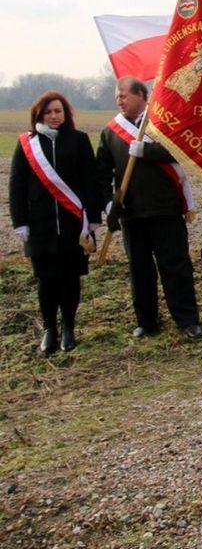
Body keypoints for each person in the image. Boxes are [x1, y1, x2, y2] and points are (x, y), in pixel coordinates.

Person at [96, 77, 202, 340]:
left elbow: (183, 152)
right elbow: (100, 174)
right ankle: (147, 321)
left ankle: (187, 320)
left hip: (165, 209)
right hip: (132, 213)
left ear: (142, 96)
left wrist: (149, 151)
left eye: (124, 95)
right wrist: (110, 203)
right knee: (140, 270)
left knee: (175, 267)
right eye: (117, 96)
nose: (119, 100)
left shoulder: (164, 124)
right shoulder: (111, 132)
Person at [9, 92, 101, 354]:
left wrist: (93, 219)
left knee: (70, 279)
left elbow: (91, 182)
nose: (54, 116)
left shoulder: (80, 140)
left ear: (66, 113)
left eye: (58, 111)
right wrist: (21, 222)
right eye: (48, 112)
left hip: (75, 227)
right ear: (39, 115)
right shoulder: (27, 144)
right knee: (47, 281)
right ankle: (50, 329)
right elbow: (17, 185)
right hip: (40, 228)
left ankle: (69, 327)